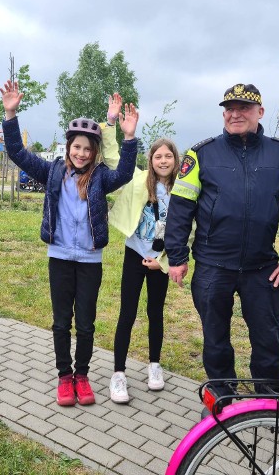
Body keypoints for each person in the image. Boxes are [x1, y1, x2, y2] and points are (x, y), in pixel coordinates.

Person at [164, 82, 279, 399]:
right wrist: (176, 258)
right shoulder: (201, 154)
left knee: (268, 341)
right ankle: (222, 399)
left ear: (260, 112)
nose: (235, 114)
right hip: (212, 266)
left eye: (243, 108)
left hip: (262, 269)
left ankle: (272, 403)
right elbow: (180, 210)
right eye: (229, 109)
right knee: (215, 339)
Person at [0, 80, 139, 406]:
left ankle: (82, 375)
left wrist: (128, 137)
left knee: (86, 323)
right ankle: (64, 375)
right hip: (59, 257)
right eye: (77, 147)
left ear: (95, 152)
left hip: (90, 260)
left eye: (88, 149)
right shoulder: (52, 172)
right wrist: (10, 114)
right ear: (68, 147)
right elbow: (18, 152)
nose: (81, 153)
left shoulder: (102, 176)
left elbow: (127, 173)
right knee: (62, 321)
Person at [103, 95, 181, 403]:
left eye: (168, 156)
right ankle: (118, 373)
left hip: (159, 260)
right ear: (150, 160)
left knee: (155, 313)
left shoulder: (181, 192)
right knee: (127, 312)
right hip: (135, 254)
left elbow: (183, 231)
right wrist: (117, 127)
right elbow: (111, 157)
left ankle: (154, 366)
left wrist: (163, 261)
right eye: (158, 156)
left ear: (175, 161)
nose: (163, 160)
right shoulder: (136, 181)